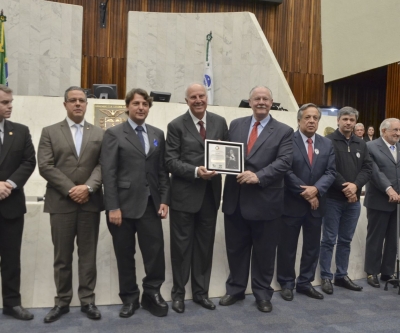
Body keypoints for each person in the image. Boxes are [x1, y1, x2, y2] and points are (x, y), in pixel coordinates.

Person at [220, 86, 293, 313]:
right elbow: (227, 154)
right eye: (256, 98)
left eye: (265, 99)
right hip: (236, 200)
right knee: (235, 250)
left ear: (271, 102)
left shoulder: (284, 131)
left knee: (264, 252)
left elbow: (284, 162)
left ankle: (262, 294)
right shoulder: (236, 125)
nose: (261, 102)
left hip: (266, 201)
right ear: (249, 102)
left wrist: (258, 176)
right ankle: (235, 290)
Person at [101, 88, 170, 318]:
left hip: (151, 205)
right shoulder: (114, 134)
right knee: (125, 254)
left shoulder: (157, 134)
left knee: (155, 253)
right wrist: (112, 206)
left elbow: (162, 172)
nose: (141, 108)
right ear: (127, 106)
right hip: (122, 207)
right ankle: (129, 298)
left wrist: (164, 200)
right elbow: (108, 173)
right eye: (137, 103)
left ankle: (152, 293)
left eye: (145, 104)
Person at [38, 86, 104, 323]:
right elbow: (45, 166)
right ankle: (62, 302)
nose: (78, 104)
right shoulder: (49, 132)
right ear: (64, 104)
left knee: (88, 255)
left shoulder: (99, 133)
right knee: (62, 257)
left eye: (82, 101)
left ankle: (88, 301)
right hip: (61, 203)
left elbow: (103, 165)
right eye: (73, 100)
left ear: (87, 105)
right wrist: (71, 189)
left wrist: (87, 188)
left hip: (90, 202)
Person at [165, 83, 229, 313]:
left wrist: (226, 162)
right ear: (186, 101)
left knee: (204, 248)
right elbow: (170, 161)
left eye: (201, 95)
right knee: (181, 249)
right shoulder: (175, 126)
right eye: (193, 97)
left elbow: (229, 154)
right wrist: (195, 171)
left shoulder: (220, 122)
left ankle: (201, 293)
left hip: (210, 197)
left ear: (207, 97)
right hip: (184, 197)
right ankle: (179, 295)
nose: (198, 100)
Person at [277, 103, 336, 301]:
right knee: (287, 246)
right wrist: (307, 193)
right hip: (292, 203)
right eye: (308, 117)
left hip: (316, 206)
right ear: (299, 120)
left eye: (315, 118)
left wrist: (316, 190)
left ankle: (305, 282)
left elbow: (331, 172)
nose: (312, 121)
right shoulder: (287, 140)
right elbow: (285, 170)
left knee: (312, 246)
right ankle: (286, 282)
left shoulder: (326, 144)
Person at [319, 106, 372, 295]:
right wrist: (346, 187)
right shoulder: (328, 142)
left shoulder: (361, 143)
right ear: (338, 121)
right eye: (345, 119)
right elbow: (328, 169)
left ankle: (341, 275)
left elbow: (367, 169)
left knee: (345, 240)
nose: (348, 123)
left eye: (352, 120)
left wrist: (355, 187)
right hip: (333, 199)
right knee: (328, 240)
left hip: (353, 202)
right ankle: (326, 276)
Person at [0, 85, 36, 320]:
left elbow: (28, 162)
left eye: (10, 102)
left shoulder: (20, 131)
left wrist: (9, 184)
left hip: (10, 205)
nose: (10, 106)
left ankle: (12, 303)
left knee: (12, 258)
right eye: (4, 102)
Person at [364, 118, 400, 288]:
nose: (398, 133)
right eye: (395, 130)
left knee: (393, 239)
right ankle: (371, 272)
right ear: (384, 131)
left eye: (399, 130)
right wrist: (389, 189)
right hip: (379, 200)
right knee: (376, 238)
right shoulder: (371, 147)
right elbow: (374, 172)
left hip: (397, 203)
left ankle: (387, 271)